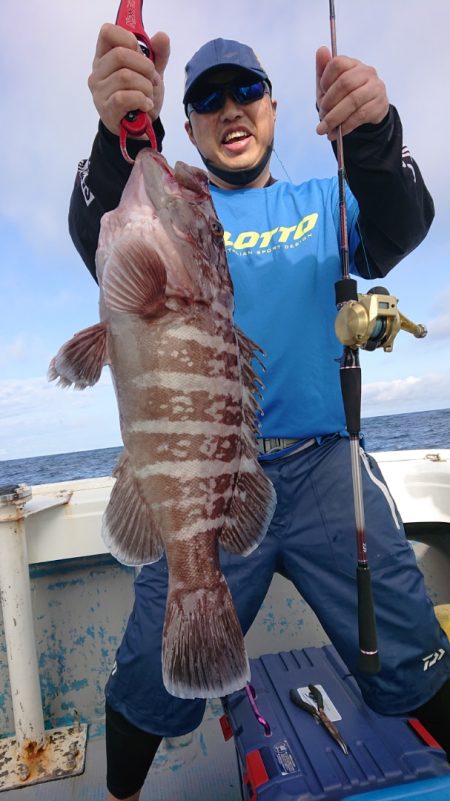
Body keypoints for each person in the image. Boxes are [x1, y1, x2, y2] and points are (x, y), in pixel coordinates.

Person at [69, 23, 450, 801]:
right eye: (207, 99)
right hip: (205, 479)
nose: (230, 107)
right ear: (189, 123)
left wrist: (373, 133)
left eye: (246, 89)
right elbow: (98, 229)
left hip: (325, 465)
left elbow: (405, 218)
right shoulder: (171, 208)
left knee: (410, 643)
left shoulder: (326, 199)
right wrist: (116, 133)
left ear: (274, 106)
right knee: (146, 668)